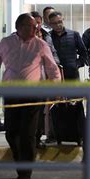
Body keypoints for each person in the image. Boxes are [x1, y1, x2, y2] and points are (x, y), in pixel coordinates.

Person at [0, 13, 61, 179]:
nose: (35, 29)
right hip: (11, 95)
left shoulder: (40, 45)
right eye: (30, 26)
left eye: (35, 26)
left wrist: (56, 88)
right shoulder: (6, 43)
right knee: (11, 133)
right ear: (19, 27)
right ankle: (19, 160)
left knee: (28, 134)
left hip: (33, 97)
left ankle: (25, 172)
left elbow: (52, 68)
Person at [31, 11, 60, 148]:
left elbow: (52, 53)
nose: (37, 25)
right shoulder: (20, 37)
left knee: (41, 110)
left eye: (39, 22)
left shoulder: (46, 36)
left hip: (43, 79)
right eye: (34, 22)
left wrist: (56, 70)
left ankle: (37, 137)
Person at [49, 11, 89, 80]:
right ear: (50, 24)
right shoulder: (48, 37)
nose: (58, 25)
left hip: (72, 75)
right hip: (55, 75)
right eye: (55, 23)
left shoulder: (74, 34)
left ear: (63, 20)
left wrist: (77, 64)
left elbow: (84, 52)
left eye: (60, 22)